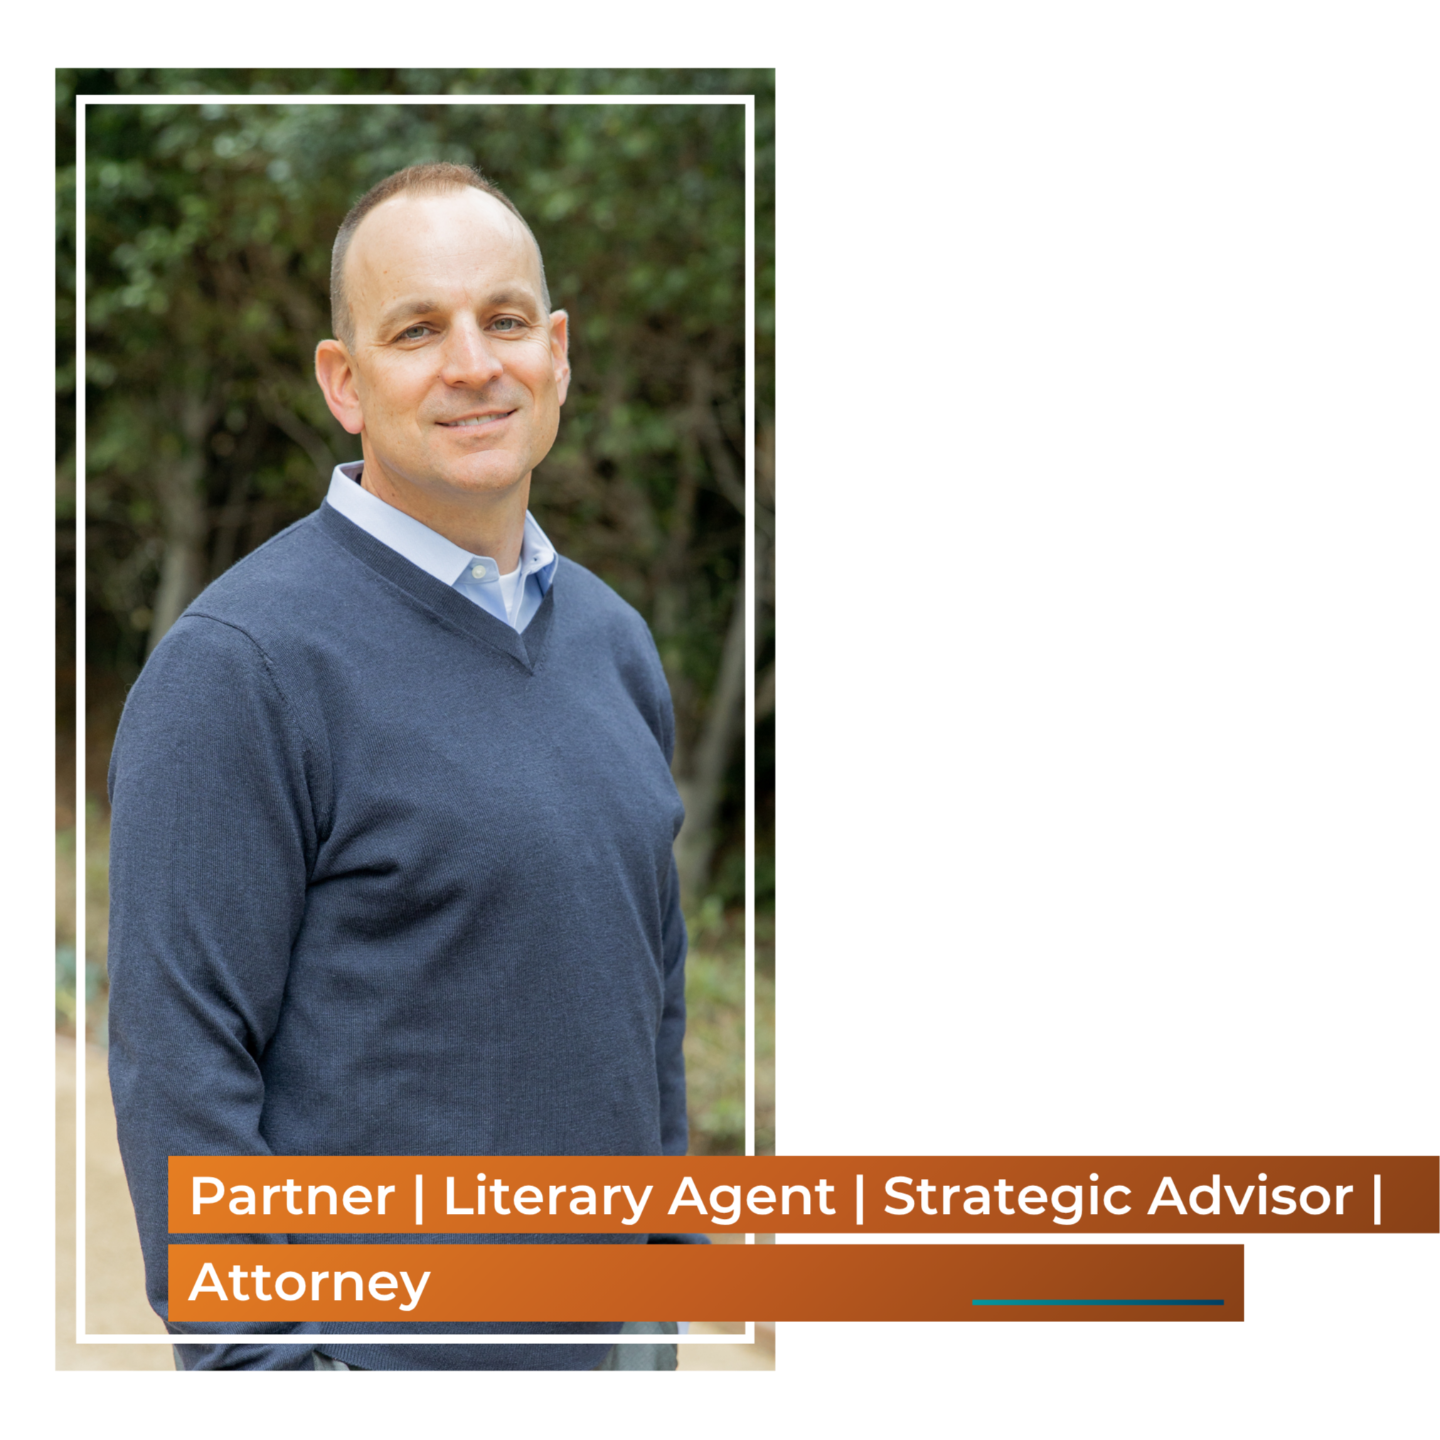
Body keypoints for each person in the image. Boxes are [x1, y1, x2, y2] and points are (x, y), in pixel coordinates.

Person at [107, 163, 698, 1374]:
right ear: (346, 382)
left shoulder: (615, 647)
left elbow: (650, 1001)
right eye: (418, 330)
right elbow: (182, 1065)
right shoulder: (243, 667)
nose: (475, 364)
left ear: (560, 353)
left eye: (507, 320)